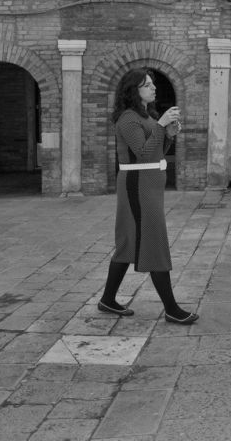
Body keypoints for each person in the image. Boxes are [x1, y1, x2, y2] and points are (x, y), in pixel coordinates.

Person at [98, 67, 199, 325]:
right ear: (134, 91)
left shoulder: (146, 115)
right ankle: (171, 308)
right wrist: (162, 126)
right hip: (137, 186)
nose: (154, 88)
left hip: (149, 186)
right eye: (147, 85)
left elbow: (156, 152)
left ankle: (107, 299)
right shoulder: (127, 119)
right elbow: (143, 153)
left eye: (153, 84)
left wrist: (168, 135)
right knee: (153, 241)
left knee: (128, 244)